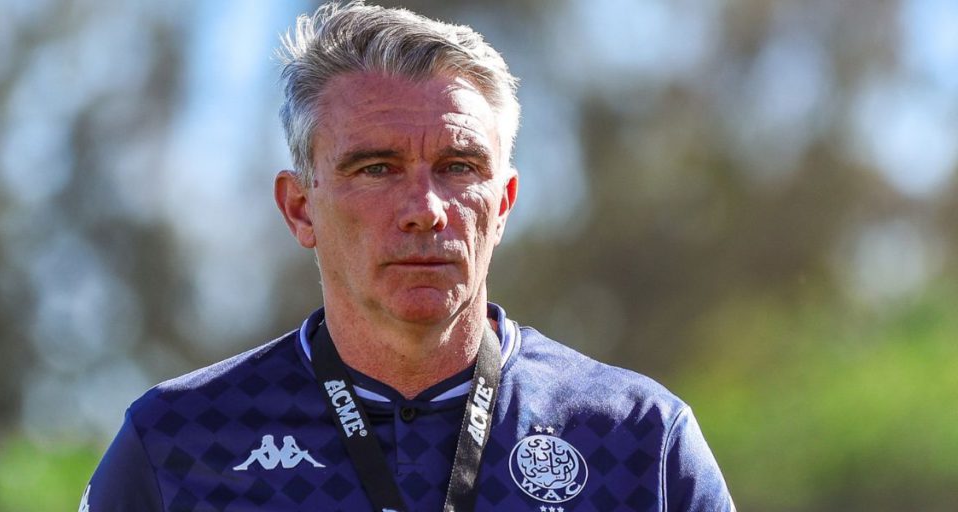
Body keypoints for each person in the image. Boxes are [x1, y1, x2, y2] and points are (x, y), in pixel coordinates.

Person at [82, 2, 735, 511]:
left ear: (503, 204)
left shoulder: (639, 440)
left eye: (458, 166)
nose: (425, 208)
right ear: (300, 208)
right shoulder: (178, 442)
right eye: (376, 168)